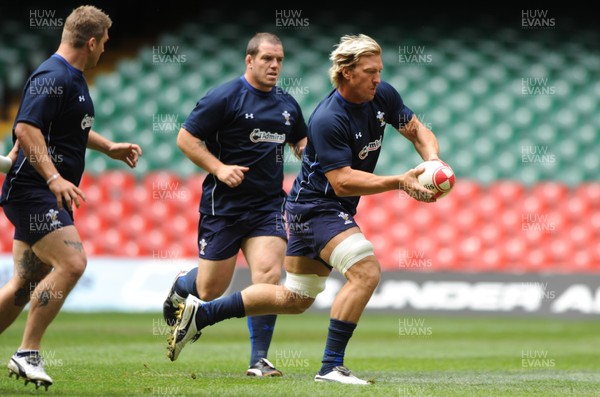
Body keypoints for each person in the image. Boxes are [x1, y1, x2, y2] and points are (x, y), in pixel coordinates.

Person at [167, 33, 444, 385]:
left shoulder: (383, 96)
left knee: (296, 298)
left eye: (379, 70)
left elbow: (418, 130)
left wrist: (432, 162)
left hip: (309, 206)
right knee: (366, 272)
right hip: (316, 209)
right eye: (370, 71)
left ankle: (202, 316)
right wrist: (400, 181)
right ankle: (331, 366)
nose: (378, 78)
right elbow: (342, 181)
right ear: (346, 72)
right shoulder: (329, 118)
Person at [0, 5, 141, 390]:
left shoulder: (72, 78)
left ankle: (25, 349)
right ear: (91, 41)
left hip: (41, 192)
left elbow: (67, 130)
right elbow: (26, 130)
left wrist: (107, 146)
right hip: (32, 191)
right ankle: (27, 352)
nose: (105, 52)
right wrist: (54, 178)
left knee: (25, 283)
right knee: (74, 262)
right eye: (105, 44)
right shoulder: (53, 75)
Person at [162, 32, 307, 377]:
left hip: (268, 206)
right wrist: (219, 168)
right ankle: (182, 285)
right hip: (223, 207)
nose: (274, 65)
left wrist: (302, 149)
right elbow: (186, 138)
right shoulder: (224, 97)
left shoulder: (287, 105)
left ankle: (259, 360)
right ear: (250, 60)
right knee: (211, 289)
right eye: (267, 59)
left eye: (279, 60)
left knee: (269, 278)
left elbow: (299, 138)